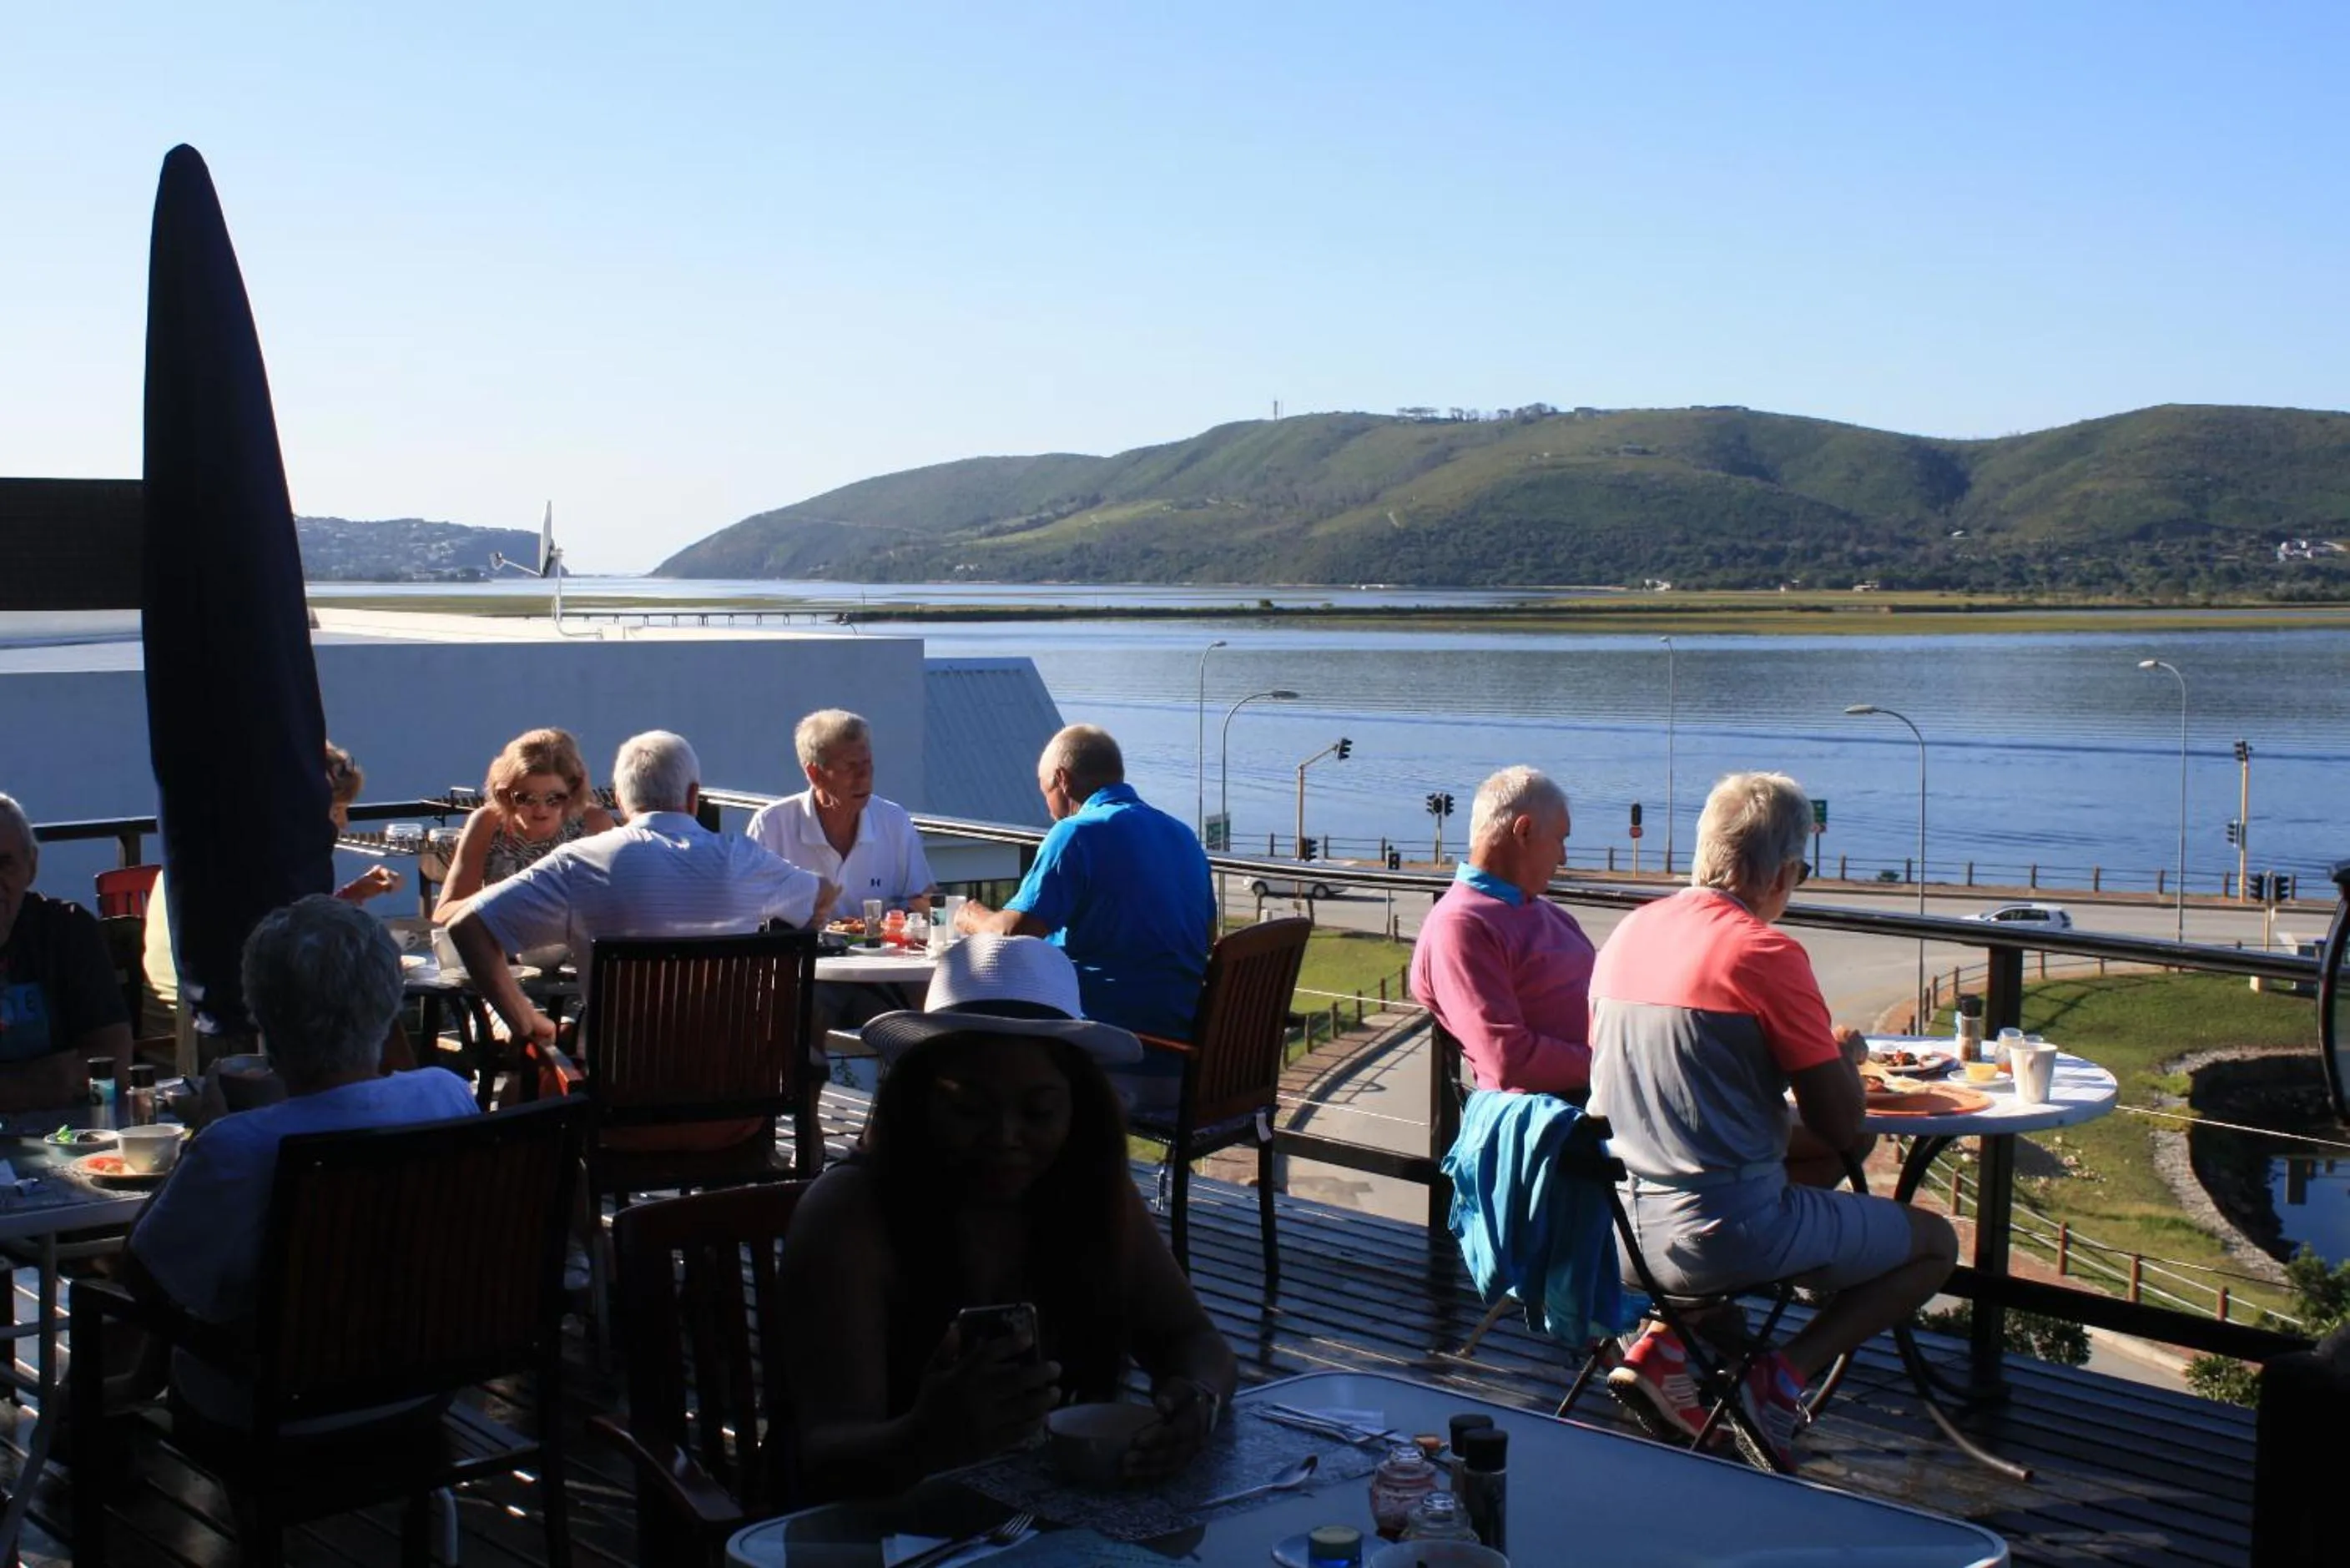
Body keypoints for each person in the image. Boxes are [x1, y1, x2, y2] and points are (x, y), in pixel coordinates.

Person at [779, 935, 1237, 1502]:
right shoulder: (849, 1215)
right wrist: (924, 1437)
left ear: (1079, 1110)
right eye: (970, 1109)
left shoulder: (1091, 1191)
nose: (1005, 1137)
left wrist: (1198, 1401)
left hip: (1042, 1519)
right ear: (917, 1101)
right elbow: (823, 1459)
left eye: (1038, 1111)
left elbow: (1193, 1339)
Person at [1588, 771, 1957, 1469]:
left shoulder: (1629, 934)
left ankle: (1666, 1339)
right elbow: (1841, 1122)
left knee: (1819, 1154)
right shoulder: (1763, 952)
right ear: (1785, 871)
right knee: (1935, 1242)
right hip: (1719, 1237)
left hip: (1619, 1229)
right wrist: (1843, 1056)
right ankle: (1779, 1377)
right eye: (1802, 873)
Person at [124, 895, 478, 1429]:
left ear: (264, 1016)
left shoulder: (238, 1144)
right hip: (419, 1393)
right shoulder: (444, 1095)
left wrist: (208, 1129)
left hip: (271, 1417)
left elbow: (147, 1277)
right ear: (389, 1003)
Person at [450, 729, 836, 1052]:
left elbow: (467, 926)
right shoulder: (745, 858)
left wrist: (526, 1020)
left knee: (535, 1079)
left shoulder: (580, 861)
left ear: (620, 799)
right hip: (734, 1099)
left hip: (620, 1103)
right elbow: (823, 891)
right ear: (693, 796)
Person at [955, 725, 1213, 1112]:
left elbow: (1012, 935)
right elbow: (1207, 937)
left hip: (1115, 1056)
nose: (1046, 805)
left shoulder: (1075, 834)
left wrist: (971, 916)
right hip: (1189, 1062)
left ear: (1062, 779)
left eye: (1044, 789)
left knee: (979, 1056)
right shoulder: (1183, 836)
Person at [143, 741, 401, 1036]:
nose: (343, 824)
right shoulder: (258, 863)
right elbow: (289, 944)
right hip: (209, 1034)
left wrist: (351, 896)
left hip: (186, 1022)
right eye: (336, 811)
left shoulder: (213, 853)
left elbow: (281, 925)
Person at [1408, 766, 1595, 1099]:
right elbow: (1506, 1059)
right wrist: (1612, 1065)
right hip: (1556, 1114)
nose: (1564, 858)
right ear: (1523, 832)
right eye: (1561, 840)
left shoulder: (1546, 913)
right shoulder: (1461, 925)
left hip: (1598, 1094)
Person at [0, 793, 134, 1111]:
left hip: (69, 1132)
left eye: (4, 864)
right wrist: (27, 1085)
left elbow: (115, 1061)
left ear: (31, 866)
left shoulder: (67, 930)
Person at [745, 709, 937, 914]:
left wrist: (936, 907)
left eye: (867, 764)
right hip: (798, 936)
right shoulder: (771, 825)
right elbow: (746, 910)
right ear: (815, 774)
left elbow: (922, 901)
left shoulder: (893, 821)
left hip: (880, 936)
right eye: (850, 767)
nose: (864, 777)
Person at [431, 728, 617, 919]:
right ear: (505, 794)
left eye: (554, 798)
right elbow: (443, 915)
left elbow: (620, 904)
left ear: (572, 792)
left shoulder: (594, 824)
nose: (541, 809)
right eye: (526, 798)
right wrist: (499, 894)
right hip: (503, 935)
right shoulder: (488, 823)